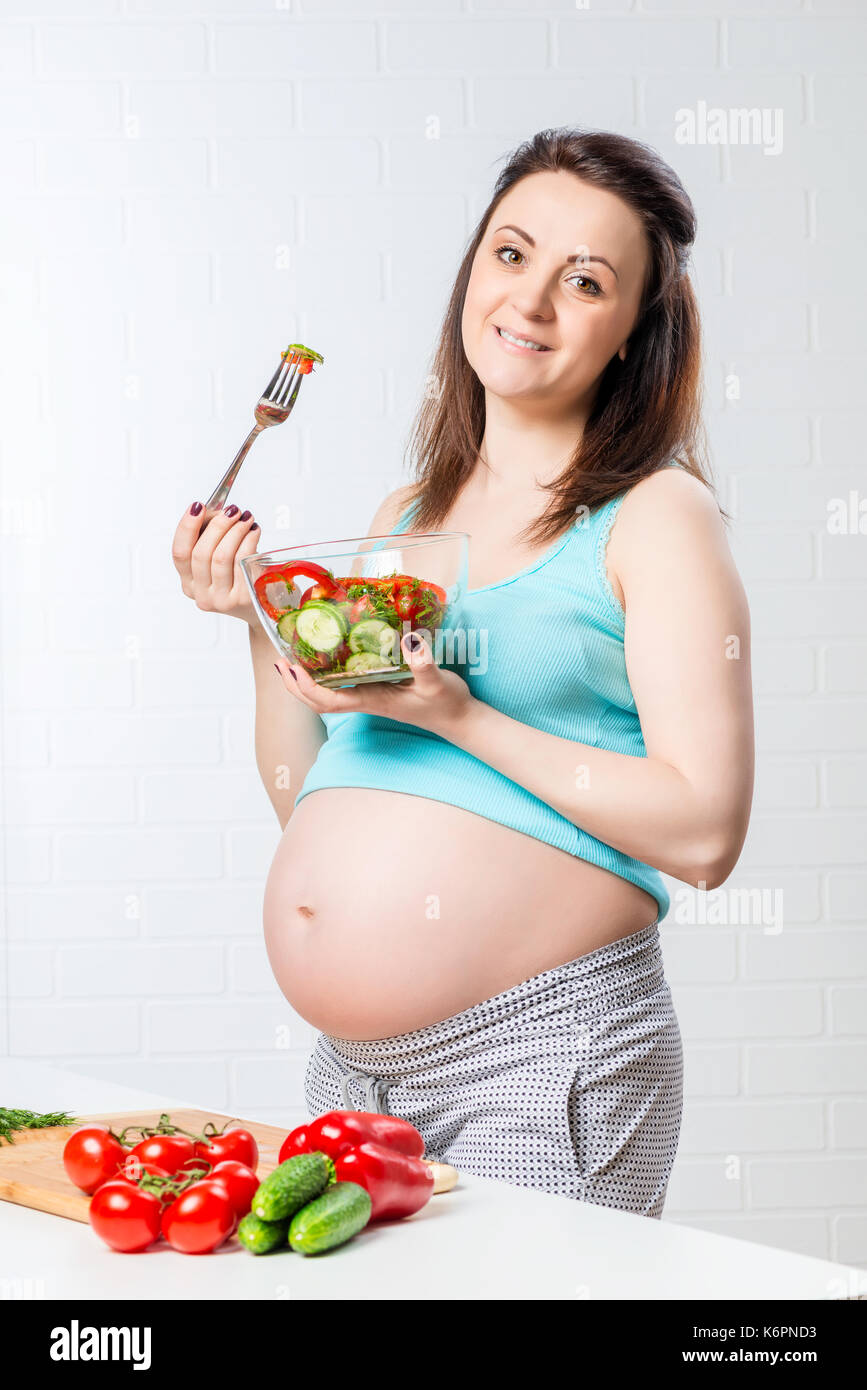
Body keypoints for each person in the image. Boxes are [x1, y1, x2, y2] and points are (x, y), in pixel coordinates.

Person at [172, 128, 754, 1219]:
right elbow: (313, 796)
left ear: (633, 332)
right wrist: (260, 618)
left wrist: (459, 714)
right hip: (353, 1070)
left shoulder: (655, 516)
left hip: (541, 1052)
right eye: (511, 254)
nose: (530, 302)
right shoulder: (408, 519)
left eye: (585, 281)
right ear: (470, 274)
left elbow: (709, 833)